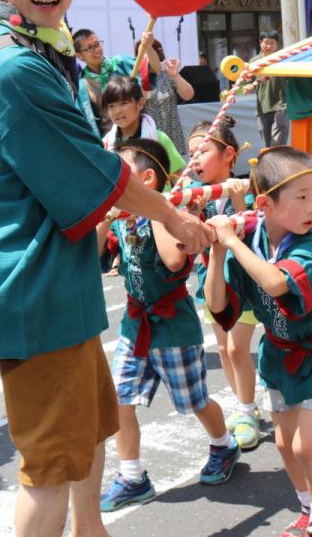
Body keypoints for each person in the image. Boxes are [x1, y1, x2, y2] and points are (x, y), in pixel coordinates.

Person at [0, 0, 211, 537]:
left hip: (54, 275)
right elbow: (100, 176)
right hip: (33, 284)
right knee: (47, 463)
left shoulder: (31, 48)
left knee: (94, 420)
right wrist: (177, 219)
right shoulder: (17, 68)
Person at [204, 147, 312, 537]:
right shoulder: (254, 240)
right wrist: (216, 251)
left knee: (305, 444)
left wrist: (230, 239)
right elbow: (218, 306)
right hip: (278, 358)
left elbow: (276, 283)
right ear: (265, 203)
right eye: (300, 197)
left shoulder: (310, 247)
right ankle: (307, 507)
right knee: (284, 445)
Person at [96, 139, 241, 511]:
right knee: (120, 400)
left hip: (173, 326)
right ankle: (132, 476)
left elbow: (174, 262)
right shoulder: (123, 215)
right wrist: (104, 217)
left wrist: (160, 211)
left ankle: (224, 445)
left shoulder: (172, 214)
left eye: (121, 173)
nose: (114, 182)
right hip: (135, 324)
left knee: (195, 400)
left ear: (146, 179)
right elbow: (94, 253)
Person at [186, 117, 262, 451]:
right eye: (191, 154)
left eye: (203, 151)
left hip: (241, 282)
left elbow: (248, 229)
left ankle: (246, 411)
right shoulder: (196, 195)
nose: (195, 160)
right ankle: (243, 404)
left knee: (236, 348)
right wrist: (192, 211)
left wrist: (240, 200)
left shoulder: (242, 186)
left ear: (229, 154)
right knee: (222, 349)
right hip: (212, 280)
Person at [74, 28, 160, 135]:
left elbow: (155, 68)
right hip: (109, 141)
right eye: (89, 48)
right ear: (79, 56)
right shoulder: (80, 85)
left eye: (97, 44)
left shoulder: (120, 63)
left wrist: (148, 47)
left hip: (138, 132)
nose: (96, 49)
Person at [100, 76, 186, 181]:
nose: (117, 111)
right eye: (111, 106)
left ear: (140, 104)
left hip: (157, 197)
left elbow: (178, 177)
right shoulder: (106, 144)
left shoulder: (159, 139)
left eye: (123, 103)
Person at [140, 37, 194, 154]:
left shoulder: (167, 73)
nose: (147, 57)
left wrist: (175, 75)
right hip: (148, 136)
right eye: (143, 52)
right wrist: (143, 76)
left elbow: (188, 95)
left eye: (150, 51)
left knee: (175, 172)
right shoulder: (136, 77)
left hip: (171, 133)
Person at [253, 30, 289, 147]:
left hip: (281, 105)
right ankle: (271, 164)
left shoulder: (284, 59)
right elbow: (244, 84)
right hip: (262, 107)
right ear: (260, 43)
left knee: (278, 142)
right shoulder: (254, 62)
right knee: (267, 145)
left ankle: (280, 162)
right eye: (266, 43)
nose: (268, 46)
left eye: (272, 43)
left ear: (277, 44)